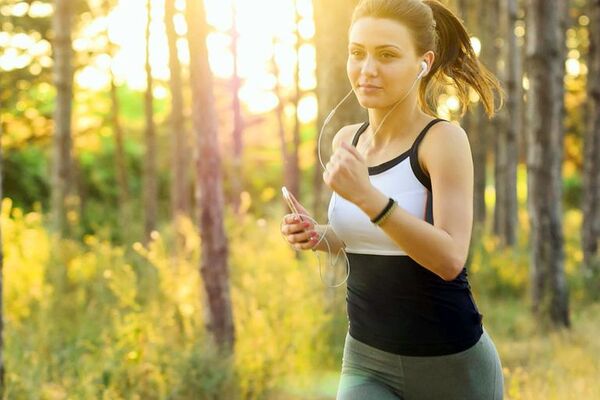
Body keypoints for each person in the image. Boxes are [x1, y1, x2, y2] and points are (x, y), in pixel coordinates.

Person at [280, 0, 505, 398]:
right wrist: (319, 235)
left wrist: (368, 198)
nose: (367, 70)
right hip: (367, 359)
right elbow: (367, 237)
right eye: (357, 53)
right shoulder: (346, 139)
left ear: (424, 62)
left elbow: (450, 259)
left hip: (450, 365)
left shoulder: (441, 141)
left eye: (387, 55)